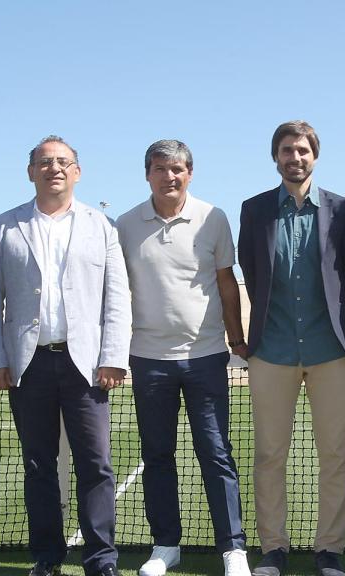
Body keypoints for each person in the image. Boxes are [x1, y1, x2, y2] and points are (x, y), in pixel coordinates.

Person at [0, 135, 130, 576]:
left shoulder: (101, 225)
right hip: (29, 364)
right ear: (31, 172)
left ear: (77, 172)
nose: (54, 169)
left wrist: (113, 355)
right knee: (40, 465)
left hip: (86, 364)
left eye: (63, 162)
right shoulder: (4, 226)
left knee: (96, 465)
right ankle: (47, 557)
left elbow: (116, 298)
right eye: (45, 162)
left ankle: (101, 559)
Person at [117, 139, 250, 576]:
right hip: (148, 359)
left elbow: (226, 283)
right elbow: (117, 294)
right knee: (157, 455)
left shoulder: (214, 218)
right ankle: (165, 545)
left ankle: (232, 548)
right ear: (147, 174)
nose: (169, 177)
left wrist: (237, 340)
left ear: (189, 173)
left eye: (177, 169)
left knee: (215, 453)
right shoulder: (125, 225)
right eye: (160, 169)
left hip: (206, 356)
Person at [237, 120, 345, 576]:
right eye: (288, 150)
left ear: (315, 155)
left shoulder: (344, 210)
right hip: (271, 351)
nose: (296, 157)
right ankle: (273, 549)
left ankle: (330, 550)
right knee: (269, 454)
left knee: (335, 455)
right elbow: (251, 269)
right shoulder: (254, 211)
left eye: (303, 150)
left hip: (333, 352)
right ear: (276, 157)